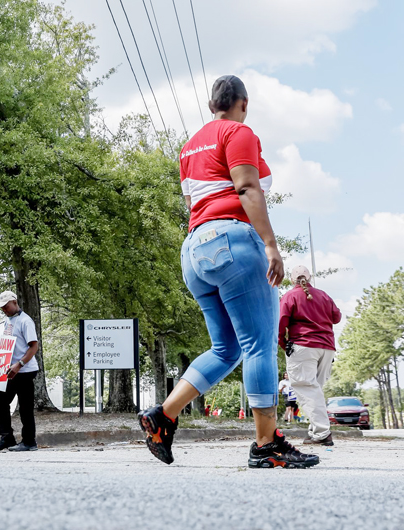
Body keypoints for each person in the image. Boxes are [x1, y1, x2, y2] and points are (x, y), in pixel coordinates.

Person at [137, 75, 319, 469]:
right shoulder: (239, 132)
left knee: (227, 349)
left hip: (194, 250)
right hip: (233, 243)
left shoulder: (189, 147)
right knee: (258, 344)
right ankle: (267, 444)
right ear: (244, 103)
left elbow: (192, 202)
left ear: (210, 105)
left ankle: (162, 416)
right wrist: (271, 245)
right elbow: (247, 188)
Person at [279, 265, 341, 446]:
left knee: (306, 388)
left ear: (292, 279)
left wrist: (283, 343)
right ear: (310, 277)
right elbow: (336, 317)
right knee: (315, 389)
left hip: (304, 345)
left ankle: (322, 433)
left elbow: (281, 321)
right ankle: (315, 432)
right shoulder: (323, 295)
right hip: (327, 348)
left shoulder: (290, 296)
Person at [0, 290, 40, 452]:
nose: (4, 309)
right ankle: (7, 437)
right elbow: (7, 344)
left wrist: (20, 364)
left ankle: (29, 441)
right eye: (2, 307)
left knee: (25, 406)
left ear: (15, 302)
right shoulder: (7, 322)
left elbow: (34, 346)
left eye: (6, 306)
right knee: (1, 401)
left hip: (25, 370)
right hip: (9, 370)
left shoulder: (26, 321)